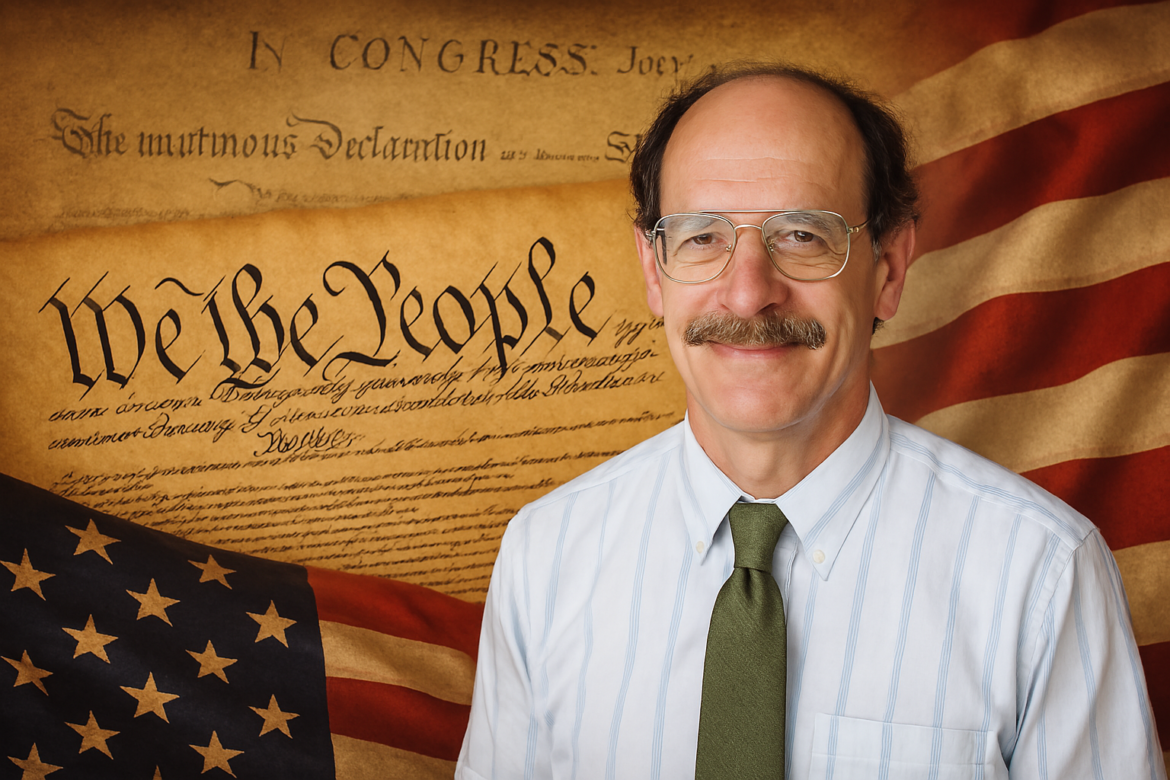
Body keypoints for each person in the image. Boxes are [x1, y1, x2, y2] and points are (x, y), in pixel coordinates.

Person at [455, 63, 1164, 779]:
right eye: (701, 236)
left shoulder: (1039, 577)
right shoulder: (544, 560)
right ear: (652, 269)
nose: (749, 292)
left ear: (888, 267)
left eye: (801, 234)